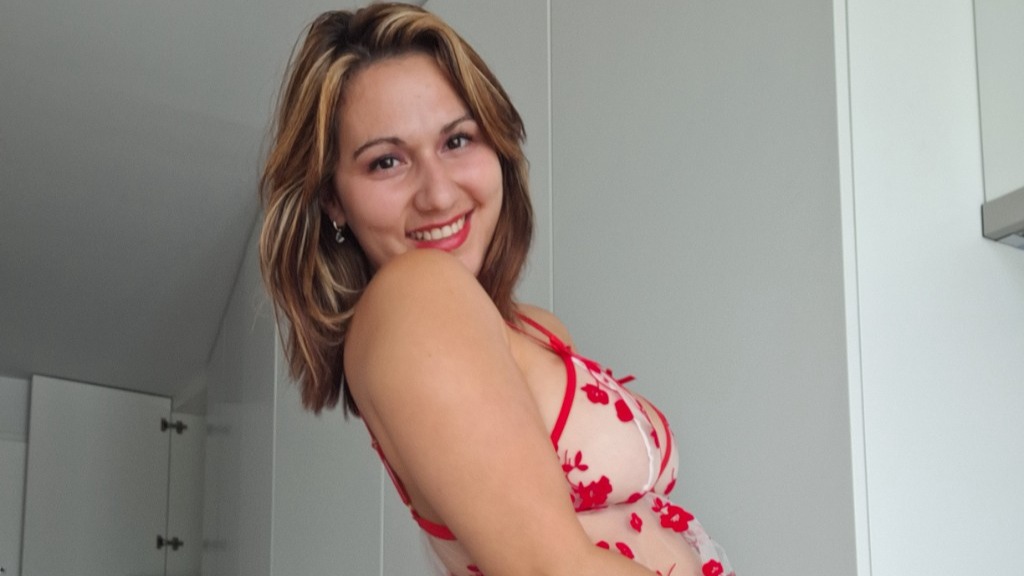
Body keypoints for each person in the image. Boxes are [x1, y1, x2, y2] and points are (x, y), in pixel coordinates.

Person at [258, 3, 734, 575]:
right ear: (333, 199)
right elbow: (551, 569)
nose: (438, 193)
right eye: (386, 162)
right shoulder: (413, 296)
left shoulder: (531, 328)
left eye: (457, 141)